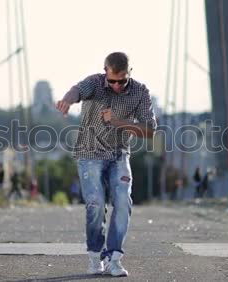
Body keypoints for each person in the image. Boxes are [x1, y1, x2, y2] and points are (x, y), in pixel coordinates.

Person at [56, 52, 157, 277]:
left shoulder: (140, 92)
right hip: (89, 154)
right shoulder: (94, 83)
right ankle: (94, 255)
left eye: (122, 80)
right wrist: (66, 100)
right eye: (112, 80)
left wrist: (117, 122)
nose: (117, 85)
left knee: (122, 200)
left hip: (119, 155)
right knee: (95, 203)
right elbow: (77, 90)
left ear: (130, 73)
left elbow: (150, 130)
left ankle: (114, 258)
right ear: (105, 73)